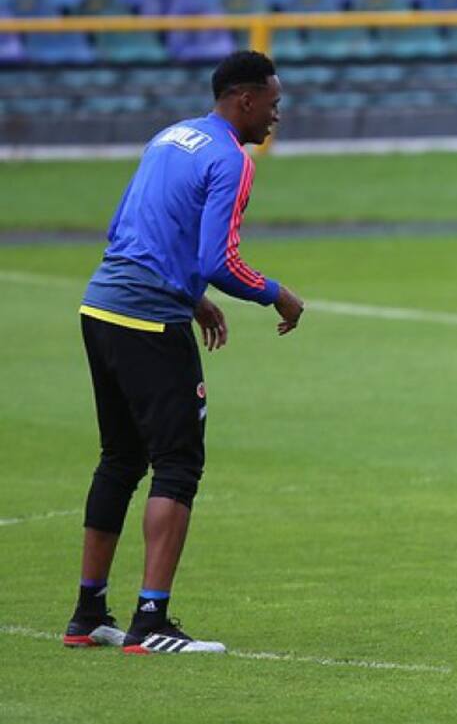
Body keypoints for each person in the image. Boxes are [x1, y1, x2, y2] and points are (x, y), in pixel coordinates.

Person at [64, 50, 305, 654]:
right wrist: (278, 295)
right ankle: (151, 622)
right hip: (148, 321)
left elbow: (125, 227)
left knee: (120, 458)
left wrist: (193, 300)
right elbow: (219, 261)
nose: (276, 115)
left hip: (101, 306)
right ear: (245, 100)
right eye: (273, 103)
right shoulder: (232, 159)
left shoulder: (171, 137)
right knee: (177, 464)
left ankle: (88, 613)